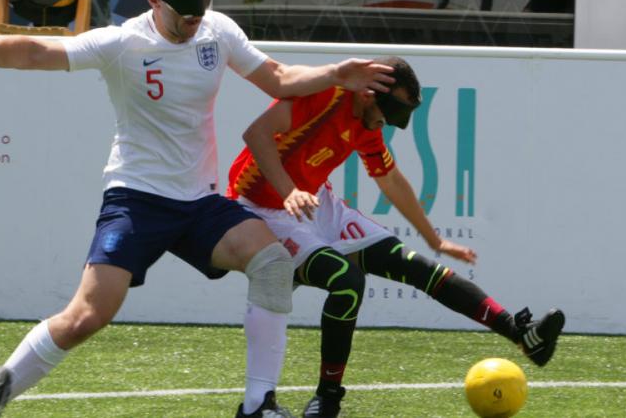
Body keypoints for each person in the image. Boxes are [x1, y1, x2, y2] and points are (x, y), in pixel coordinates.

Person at [0, 0, 394, 417]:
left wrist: (335, 72)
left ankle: (257, 405)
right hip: (137, 199)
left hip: (200, 203)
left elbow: (277, 78)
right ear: (153, 0)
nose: (195, 19)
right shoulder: (123, 42)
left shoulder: (217, 31)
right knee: (86, 316)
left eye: (201, 6)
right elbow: (38, 52)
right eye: (185, 11)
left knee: (271, 263)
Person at [226, 56, 565, 417]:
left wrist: (434, 240)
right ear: (369, 96)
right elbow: (256, 134)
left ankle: (521, 335)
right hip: (261, 208)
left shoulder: (366, 122)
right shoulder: (323, 96)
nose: (383, 127)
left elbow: (391, 181)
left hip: (315, 201)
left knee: (418, 268)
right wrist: (289, 190)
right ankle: (327, 398)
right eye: (385, 117)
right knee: (347, 281)